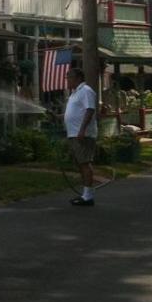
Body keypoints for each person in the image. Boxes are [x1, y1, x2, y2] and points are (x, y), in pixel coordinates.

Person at [64, 67, 98, 206]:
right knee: (81, 164)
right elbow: (76, 112)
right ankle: (85, 194)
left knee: (85, 164)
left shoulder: (85, 91)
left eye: (69, 77)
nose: (67, 80)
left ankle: (88, 197)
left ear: (78, 78)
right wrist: (59, 117)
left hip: (82, 135)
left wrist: (82, 130)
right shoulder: (74, 94)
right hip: (74, 134)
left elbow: (90, 110)